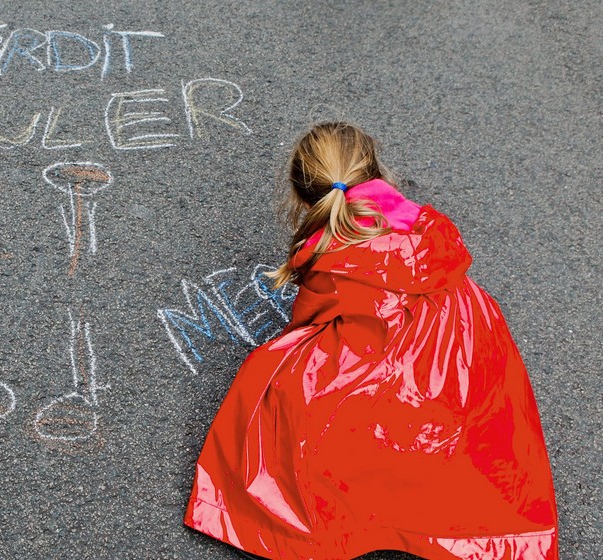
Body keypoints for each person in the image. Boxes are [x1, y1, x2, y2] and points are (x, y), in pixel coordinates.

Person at [183, 122, 559, 559]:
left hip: (385, 372)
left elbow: (308, 320)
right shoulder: (421, 226)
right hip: (462, 360)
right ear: (379, 174)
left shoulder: (331, 252)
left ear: (305, 197)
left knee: (274, 380)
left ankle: (327, 516)